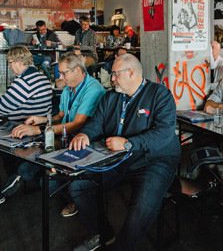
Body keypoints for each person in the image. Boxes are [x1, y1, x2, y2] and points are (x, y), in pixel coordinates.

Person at [68, 54, 180, 250]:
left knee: (141, 207)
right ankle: (104, 233)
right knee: (79, 186)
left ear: (131, 72)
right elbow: (96, 124)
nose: (111, 79)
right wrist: (85, 134)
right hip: (119, 158)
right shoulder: (110, 97)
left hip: (155, 160)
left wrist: (128, 143)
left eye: (115, 74)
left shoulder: (159, 94)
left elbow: (163, 134)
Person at [11, 52, 106, 217]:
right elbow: (61, 117)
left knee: (47, 182)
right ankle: (62, 186)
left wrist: (40, 130)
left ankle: (75, 197)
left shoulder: (93, 89)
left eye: (63, 73)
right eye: (60, 73)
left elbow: (77, 124)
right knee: (25, 170)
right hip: (63, 138)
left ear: (77, 70)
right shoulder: (69, 88)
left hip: (83, 141)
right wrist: (42, 120)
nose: (60, 77)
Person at [0, 46, 53, 211]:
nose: (9, 66)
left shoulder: (24, 80)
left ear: (20, 62)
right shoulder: (39, 76)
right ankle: (14, 176)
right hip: (39, 129)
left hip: (28, 132)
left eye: (10, 62)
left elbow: (5, 105)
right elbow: (13, 100)